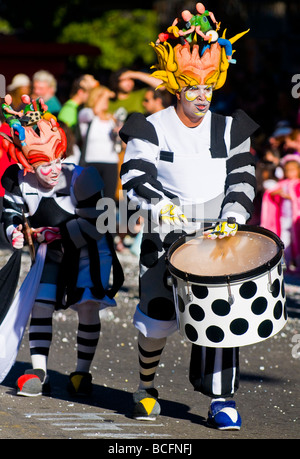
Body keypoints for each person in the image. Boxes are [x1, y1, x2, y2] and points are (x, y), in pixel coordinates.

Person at [120, 4, 258, 430]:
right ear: (176, 85)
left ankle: (221, 400)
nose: (202, 95)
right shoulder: (150, 126)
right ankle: (146, 387)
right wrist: (163, 208)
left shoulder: (230, 128)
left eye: (208, 86)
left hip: (217, 238)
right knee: (157, 319)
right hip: (166, 236)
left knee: (221, 316)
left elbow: (243, 177)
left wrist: (233, 216)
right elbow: (134, 174)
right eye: (192, 86)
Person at [0, 95, 123, 396]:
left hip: (90, 249)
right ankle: (38, 370)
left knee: (87, 304)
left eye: (58, 159)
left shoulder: (82, 177)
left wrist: (61, 233)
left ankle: (82, 372)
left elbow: (102, 221)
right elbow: (10, 213)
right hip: (50, 248)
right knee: (40, 303)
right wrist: (15, 232)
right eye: (46, 164)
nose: (55, 169)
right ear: (27, 165)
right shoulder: (18, 180)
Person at [78, 85, 119, 201]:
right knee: (90, 199)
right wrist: (106, 93)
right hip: (91, 162)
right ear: (95, 98)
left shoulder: (112, 119)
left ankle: (108, 220)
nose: (106, 101)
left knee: (108, 201)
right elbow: (94, 111)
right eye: (103, 98)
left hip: (111, 163)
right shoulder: (86, 114)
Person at [261, 154, 300, 272]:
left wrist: (288, 196)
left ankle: (298, 265)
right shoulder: (283, 184)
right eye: (287, 170)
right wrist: (274, 193)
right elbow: (271, 193)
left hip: (296, 218)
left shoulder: (298, 183)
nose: (290, 172)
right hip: (284, 218)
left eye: (292, 169)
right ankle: (286, 265)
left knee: (297, 241)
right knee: (285, 241)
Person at [58, 74, 99, 147]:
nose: (91, 96)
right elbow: (63, 133)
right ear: (80, 92)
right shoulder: (69, 109)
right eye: (89, 93)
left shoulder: (77, 108)